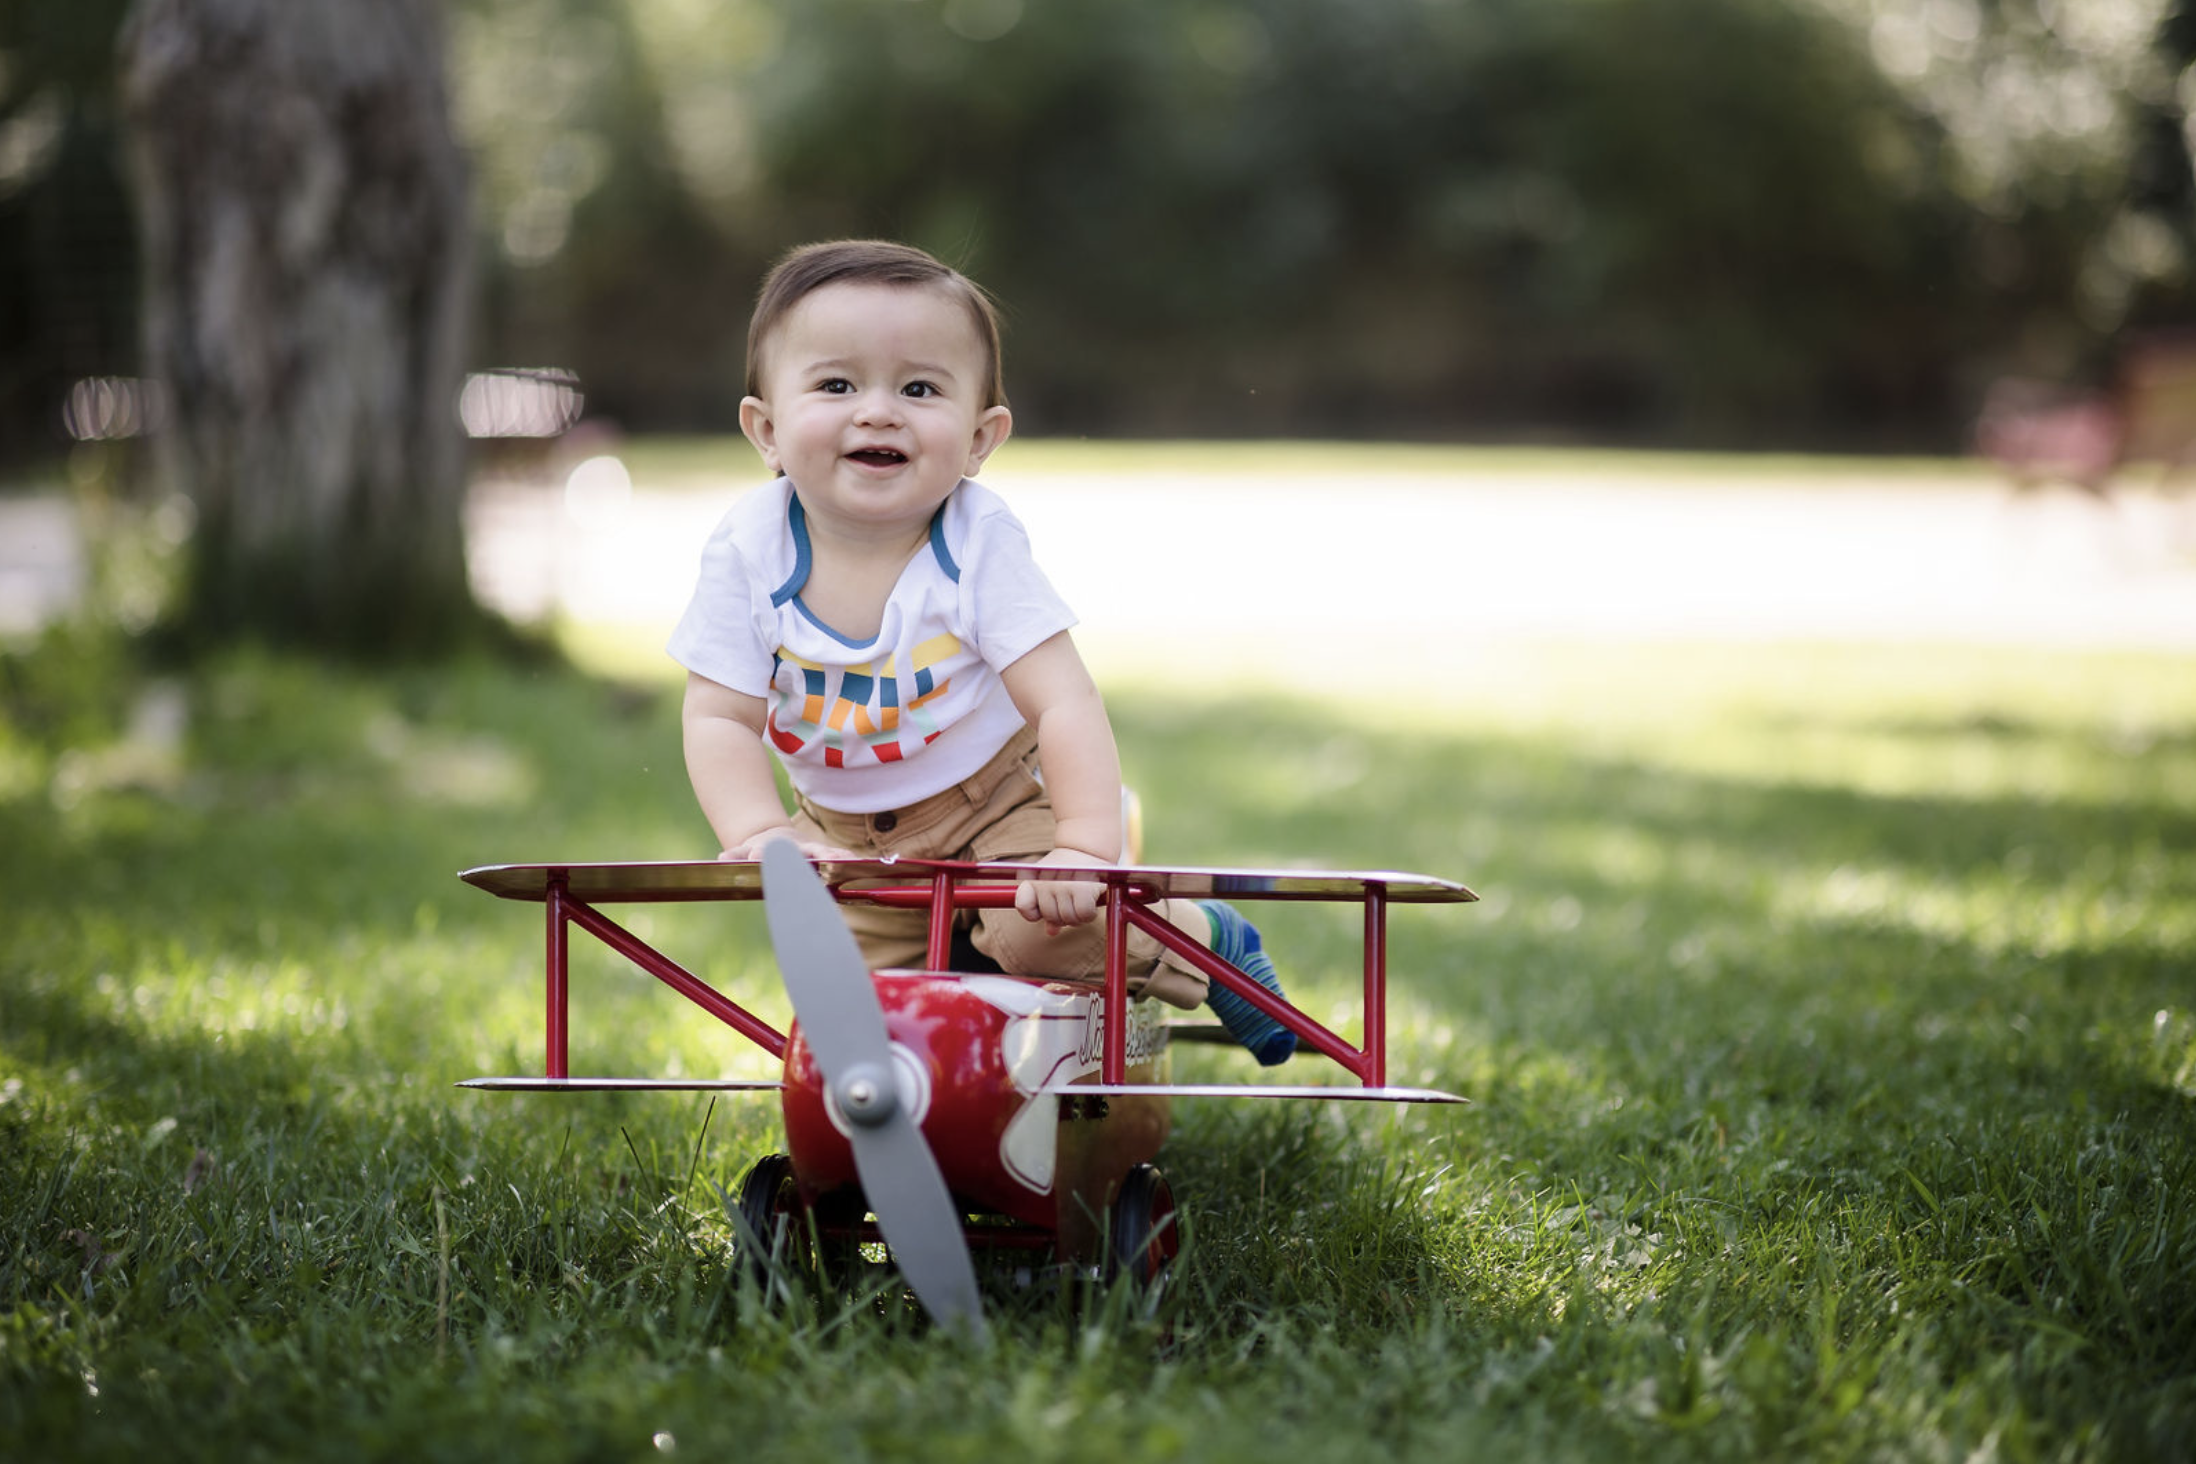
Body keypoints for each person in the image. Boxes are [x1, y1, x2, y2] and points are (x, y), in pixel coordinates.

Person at [667, 239, 1293, 1063]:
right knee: (853, 1023)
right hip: (843, 832)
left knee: (1045, 935)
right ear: (767, 429)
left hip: (994, 802)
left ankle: (1199, 940)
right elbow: (719, 713)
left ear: (979, 439)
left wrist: (1082, 843)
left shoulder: (976, 541)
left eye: (920, 388)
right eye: (836, 384)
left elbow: (1062, 698)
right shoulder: (749, 549)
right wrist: (763, 830)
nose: (878, 410)